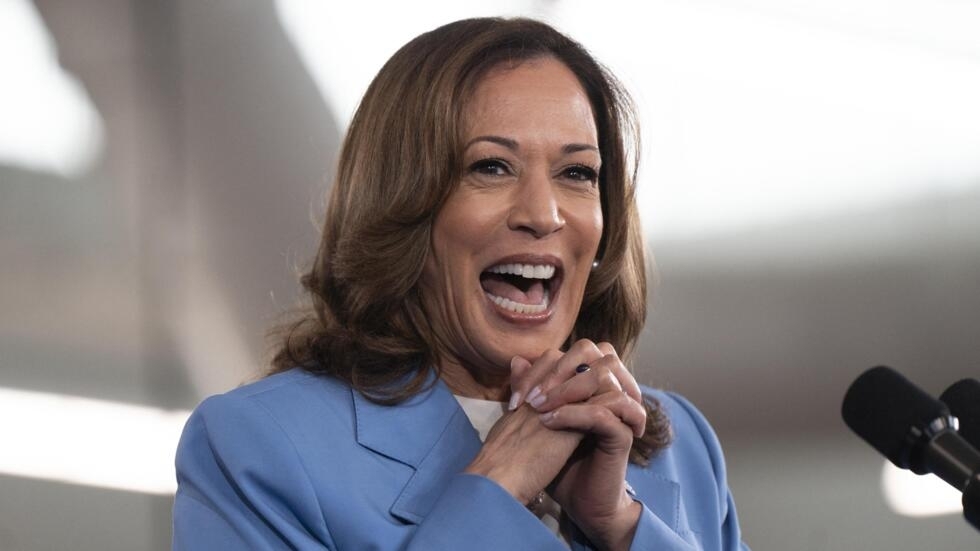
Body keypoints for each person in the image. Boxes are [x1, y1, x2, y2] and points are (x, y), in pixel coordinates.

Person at [172, 17, 749, 551]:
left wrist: (621, 524)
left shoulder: (683, 447)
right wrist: (498, 484)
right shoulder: (257, 446)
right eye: (491, 167)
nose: (543, 214)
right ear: (402, 208)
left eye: (577, 172)